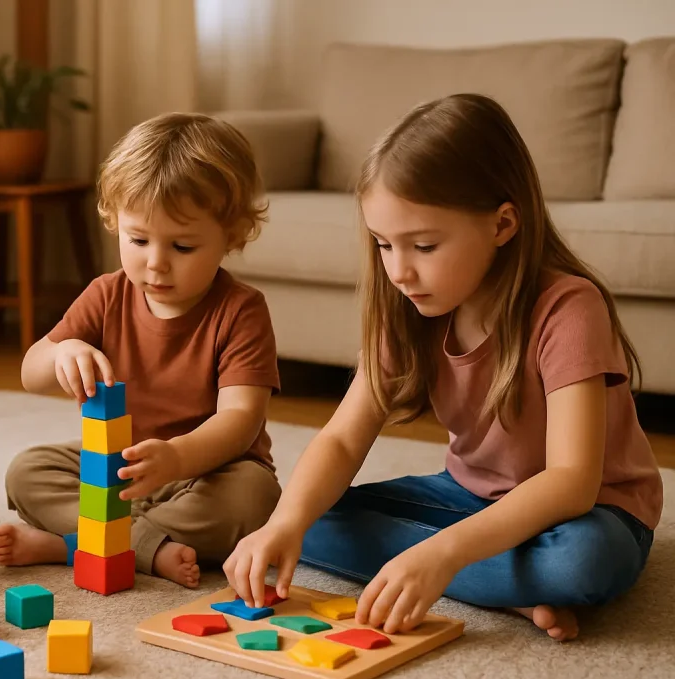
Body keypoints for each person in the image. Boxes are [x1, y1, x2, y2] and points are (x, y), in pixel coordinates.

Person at [223, 94, 663, 642]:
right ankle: (507, 587)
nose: (399, 271)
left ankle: (466, 571)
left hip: (593, 512)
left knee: (582, 564)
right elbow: (340, 440)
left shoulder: (569, 308)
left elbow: (571, 482)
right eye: (384, 244)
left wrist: (442, 553)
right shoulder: (410, 307)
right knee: (293, 516)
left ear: (503, 224)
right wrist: (286, 524)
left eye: (424, 245)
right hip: (466, 497)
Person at [0, 112, 283, 588]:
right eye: (138, 239)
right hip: (119, 466)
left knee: (255, 499)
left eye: (183, 247)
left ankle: (77, 543)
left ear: (232, 236)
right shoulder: (107, 294)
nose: (155, 263)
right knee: (27, 472)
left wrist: (176, 459)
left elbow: (240, 421)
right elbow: (31, 372)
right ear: (115, 223)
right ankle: (146, 545)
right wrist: (61, 354)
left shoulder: (241, 310)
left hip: (207, 472)